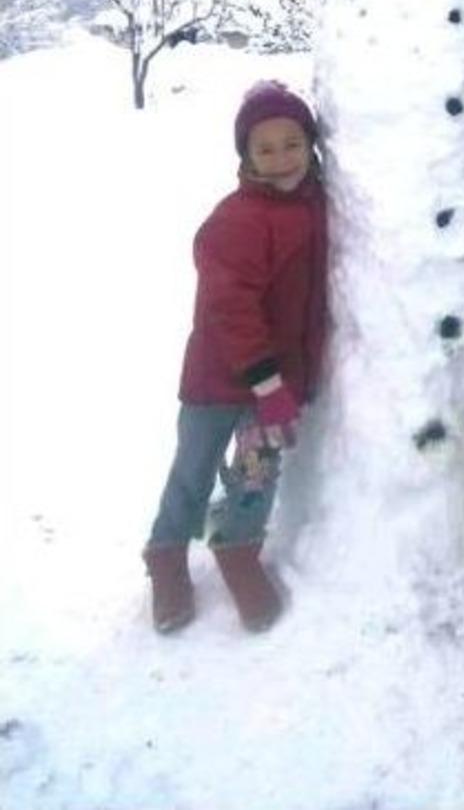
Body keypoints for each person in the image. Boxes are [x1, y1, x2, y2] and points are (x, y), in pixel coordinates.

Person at [142, 81, 327, 635]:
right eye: (265, 149)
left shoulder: (314, 205)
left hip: (274, 385)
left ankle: (238, 550)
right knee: (193, 471)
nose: (281, 158)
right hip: (218, 381)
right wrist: (268, 383)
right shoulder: (239, 219)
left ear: (311, 144)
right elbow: (228, 307)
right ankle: (167, 554)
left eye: (292, 144)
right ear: (246, 155)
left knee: (256, 475)